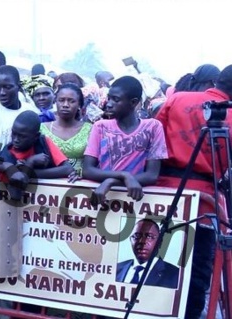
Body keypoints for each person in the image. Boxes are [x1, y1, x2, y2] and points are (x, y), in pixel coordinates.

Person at [155, 64, 232, 318]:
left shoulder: (177, 99)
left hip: (164, 197)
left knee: (160, 266)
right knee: (196, 274)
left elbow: (153, 142)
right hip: (205, 204)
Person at [82, 76, 168, 205]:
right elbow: (88, 170)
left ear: (133, 102)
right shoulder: (100, 126)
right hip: (103, 199)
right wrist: (124, 176)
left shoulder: (153, 127)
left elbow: (152, 175)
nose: (109, 104)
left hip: (135, 201)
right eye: (109, 98)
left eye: (116, 100)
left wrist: (111, 181)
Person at [0, 110, 73, 200]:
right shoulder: (7, 155)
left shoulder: (43, 142)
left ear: (36, 136)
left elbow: (68, 168)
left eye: (22, 136)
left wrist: (29, 172)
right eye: (14, 134)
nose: (15, 139)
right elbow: (16, 193)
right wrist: (30, 162)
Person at [41, 83, 92, 177]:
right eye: (61, 100)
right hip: (47, 184)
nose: (65, 105)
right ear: (55, 102)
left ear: (79, 105)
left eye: (71, 101)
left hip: (80, 185)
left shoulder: (90, 130)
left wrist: (81, 175)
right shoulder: (42, 129)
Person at [115, 219, 180, 289]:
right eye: (137, 236)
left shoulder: (175, 275)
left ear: (160, 242)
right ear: (130, 240)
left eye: (149, 236)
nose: (142, 241)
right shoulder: (116, 269)